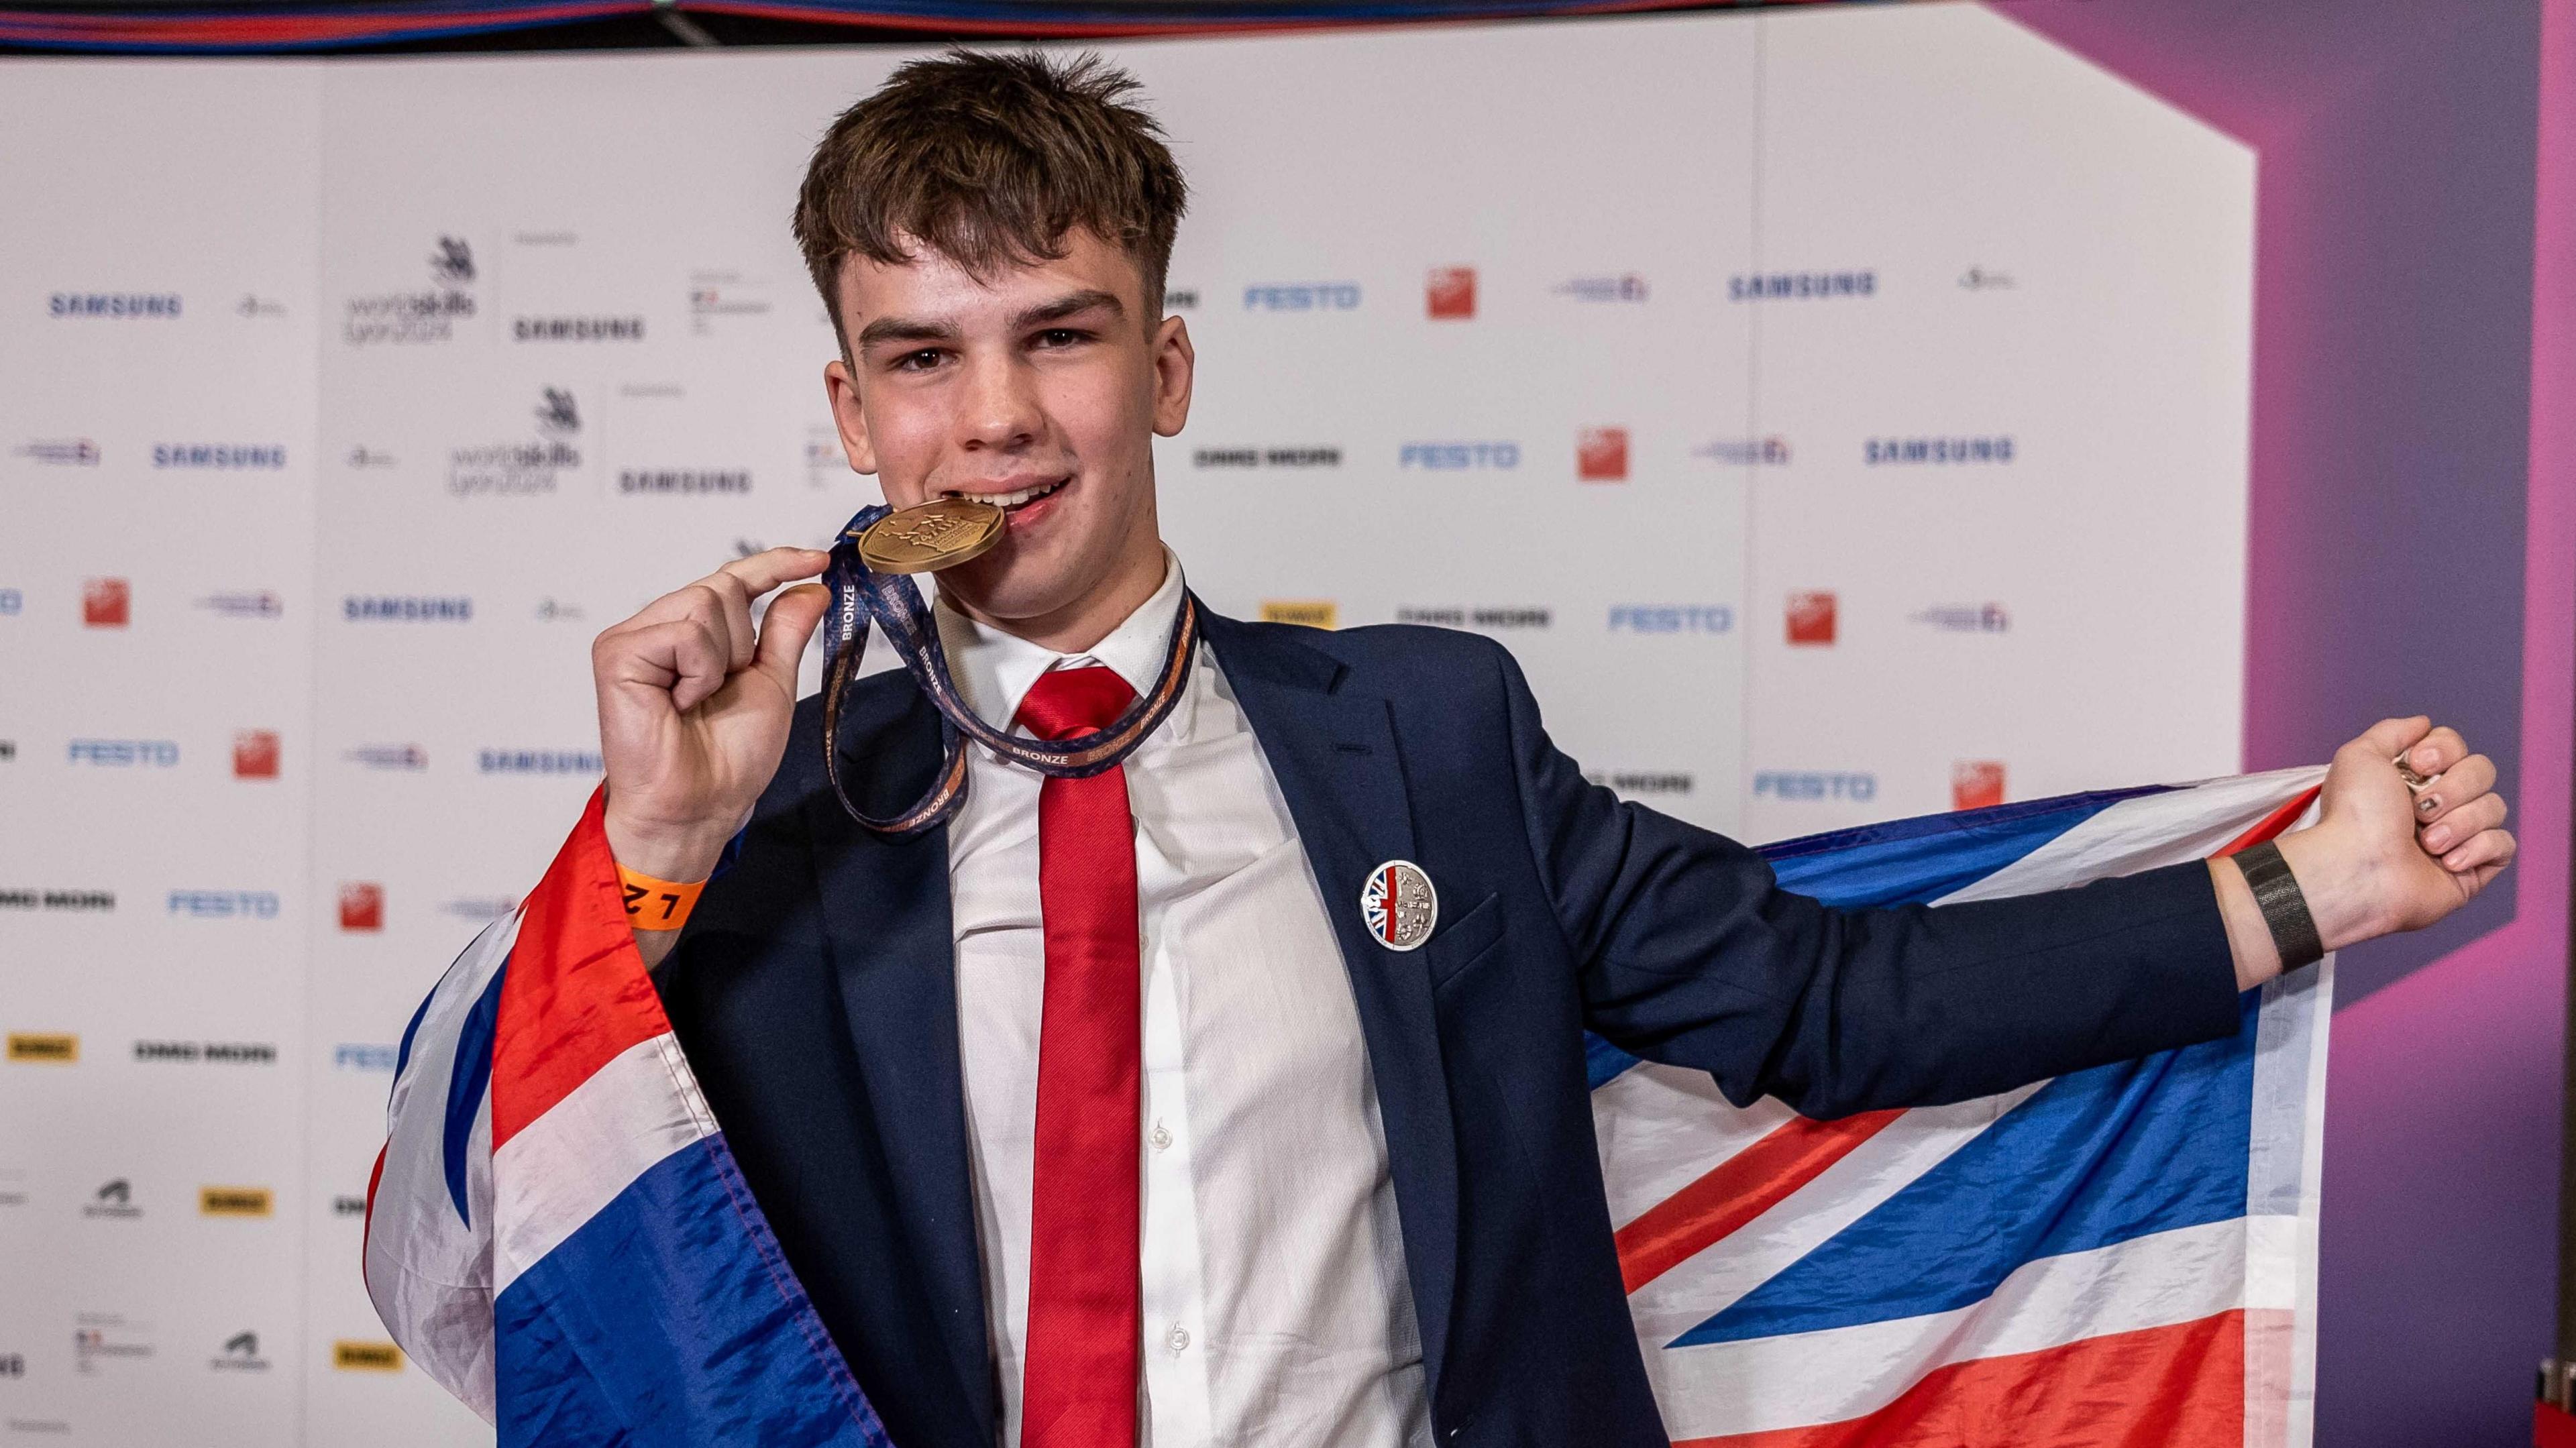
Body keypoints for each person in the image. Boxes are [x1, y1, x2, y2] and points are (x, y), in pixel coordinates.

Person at [566, 50, 2511, 1448]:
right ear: (852, 414)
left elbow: (1833, 993)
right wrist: (654, 855)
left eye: (1060, 338)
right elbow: (547, 1216)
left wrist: (2309, 884)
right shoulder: (766, 815)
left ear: (1163, 370)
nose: (996, 421)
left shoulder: (1426, 737)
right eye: (925, 357)